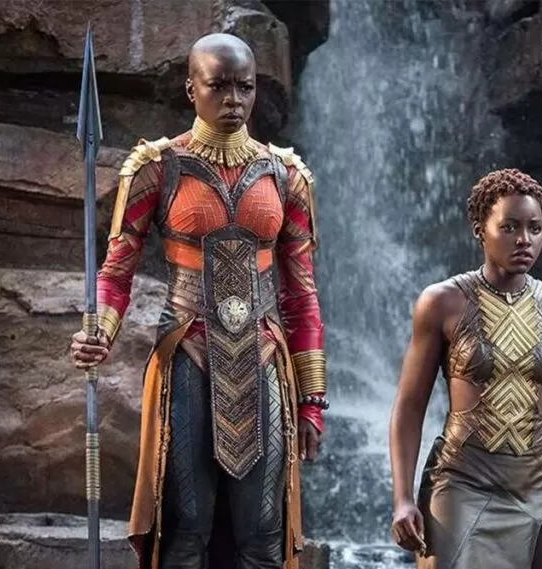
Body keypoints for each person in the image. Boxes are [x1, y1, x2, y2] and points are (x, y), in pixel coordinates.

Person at [69, 33, 327, 569]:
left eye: (245, 87)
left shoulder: (287, 176)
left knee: (263, 537)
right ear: (192, 89)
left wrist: (312, 401)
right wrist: (99, 332)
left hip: (264, 359)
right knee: (184, 530)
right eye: (219, 86)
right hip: (187, 355)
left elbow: (301, 295)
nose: (234, 99)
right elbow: (116, 270)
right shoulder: (156, 168)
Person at [388, 169, 542, 569]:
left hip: (536, 489)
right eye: (509, 227)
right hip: (462, 486)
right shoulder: (442, 303)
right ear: (480, 230)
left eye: (534, 228)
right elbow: (409, 407)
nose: (524, 239)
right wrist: (402, 498)